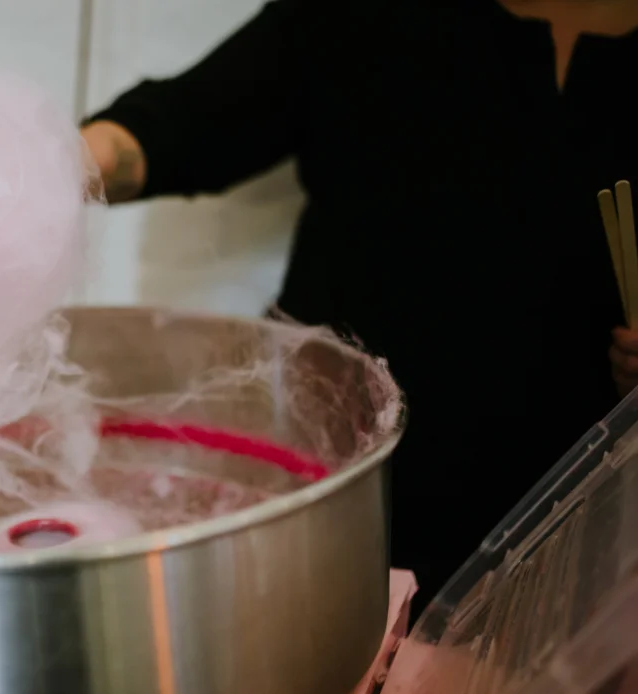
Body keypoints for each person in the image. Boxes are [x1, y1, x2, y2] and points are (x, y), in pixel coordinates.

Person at [81, 0, 638, 616]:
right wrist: (58, 166)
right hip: (332, 490)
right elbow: (179, 125)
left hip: (558, 532)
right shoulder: (360, 14)